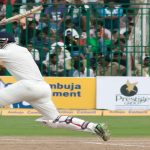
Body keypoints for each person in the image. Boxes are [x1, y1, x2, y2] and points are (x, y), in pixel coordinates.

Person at [0, 31, 110, 141]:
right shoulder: (22, 50)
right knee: (55, 120)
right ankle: (94, 127)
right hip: (42, 88)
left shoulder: (8, 52)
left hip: (27, 86)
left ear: (3, 41)